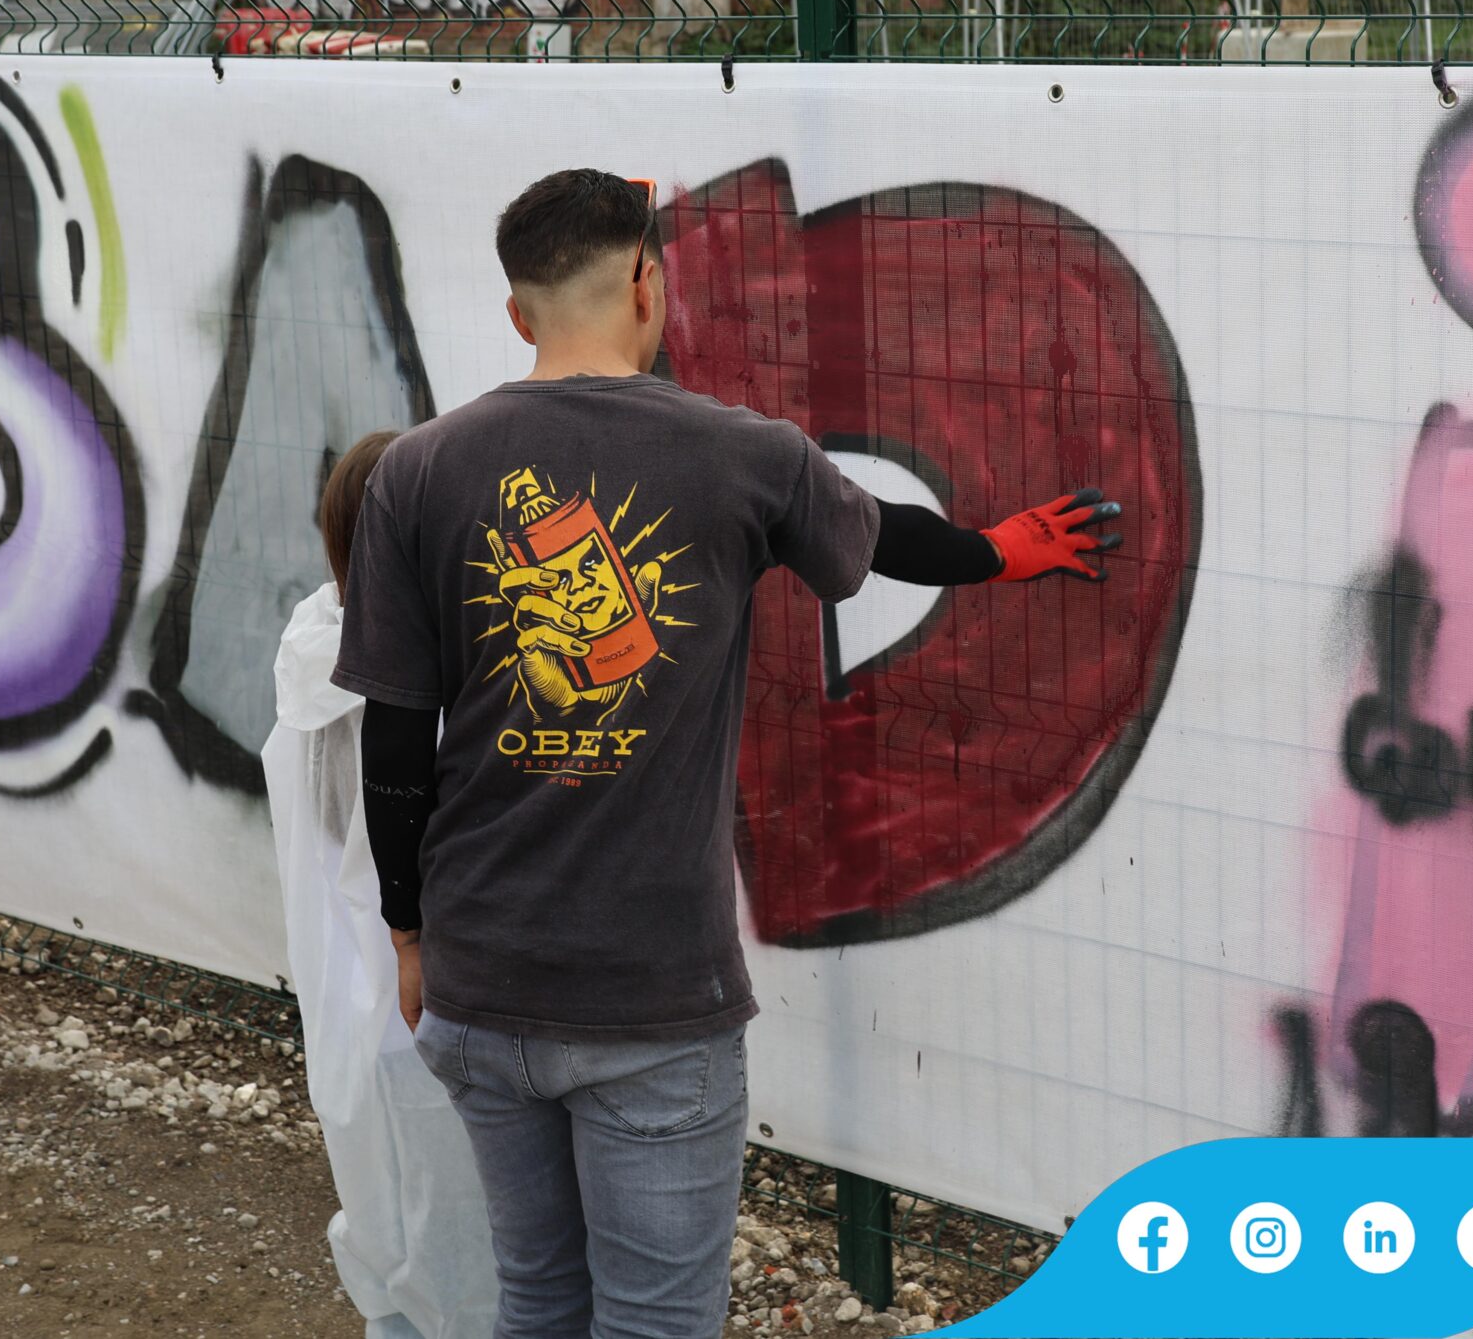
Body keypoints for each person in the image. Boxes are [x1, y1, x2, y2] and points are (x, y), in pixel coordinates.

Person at [333, 170, 1120, 1338]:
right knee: (656, 1321)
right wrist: (1000, 550)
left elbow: (395, 736)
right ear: (646, 286)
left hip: (479, 980)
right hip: (654, 996)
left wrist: (409, 933)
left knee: (537, 1298)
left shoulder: (418, 470)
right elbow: (888, 538)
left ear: (517, 312)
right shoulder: (742, 455)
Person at [260, 430, 500, 1337]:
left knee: (387, 1232)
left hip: (347, 1004)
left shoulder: (312, 646)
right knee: (470, 1247)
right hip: (437, 987)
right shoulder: (427, 675)